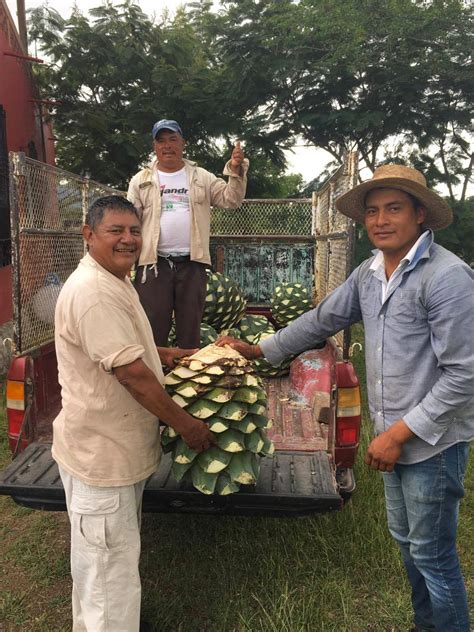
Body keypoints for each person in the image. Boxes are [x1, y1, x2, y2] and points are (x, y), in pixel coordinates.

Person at [218, 164, 474, 632]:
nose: (380, 220)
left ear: (420, 215)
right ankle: (427, 625)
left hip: (432, 444)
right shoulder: (369, 273)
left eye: (393, 208)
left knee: (433, 554)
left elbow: (464, 375)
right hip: (392, 439)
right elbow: (319, 320)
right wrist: (258, 349)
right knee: (407, 542)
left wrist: (396, 435)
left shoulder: (447, 278)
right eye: (372, 211)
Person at [52, 195, 214, 632]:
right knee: (108, 579)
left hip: (112, 453)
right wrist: (187, 425)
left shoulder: (114, 279)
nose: (128, 239)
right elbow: (133, 376)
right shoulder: (93, 294)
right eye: (115, 231)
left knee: (103, 568)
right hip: (101, 458)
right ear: (88, 235)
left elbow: (124, 346)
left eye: (135, 231)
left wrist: (166, 353)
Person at [127, 119, 249, 348]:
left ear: (183, 143)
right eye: (161, 141)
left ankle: (188, 378)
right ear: (154, 147)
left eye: (173, 139)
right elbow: (131, 224)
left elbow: (231, 200)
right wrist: (127, 262)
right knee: (152, 326)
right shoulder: (141, 180)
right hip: (154, 264)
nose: (167, 146)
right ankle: (155, 378)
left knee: (190, 326)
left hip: (192, 264)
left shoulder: (201, 176)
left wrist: (235, 170)